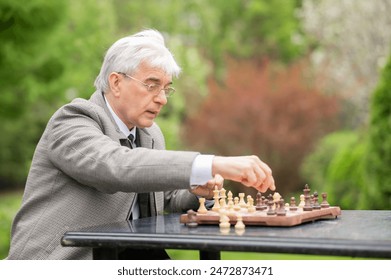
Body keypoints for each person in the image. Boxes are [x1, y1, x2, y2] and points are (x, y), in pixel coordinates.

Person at [6, 29, 275, 260]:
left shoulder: (150, 134)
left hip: (133, 258)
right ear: (116, 82)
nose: (162, 99)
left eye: (166, 88)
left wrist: (196, 190)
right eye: (152, 85)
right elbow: (116, 166)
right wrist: (212, 163)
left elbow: (167, 195)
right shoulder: (72, 121)